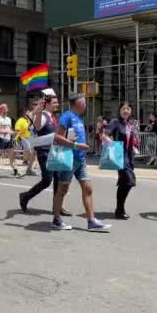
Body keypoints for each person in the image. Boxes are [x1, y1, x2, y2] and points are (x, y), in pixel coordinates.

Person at [52, 93, 112, 231]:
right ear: (76, 103)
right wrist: (77, 146)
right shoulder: (67, 116)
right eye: (84, 101)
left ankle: (91, 221)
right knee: (63, 189)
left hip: (80, 159)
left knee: (88, 188)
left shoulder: (79, 118)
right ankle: (56, 219)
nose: (86, 103)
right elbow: (57, 137)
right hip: (69, 159)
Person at [19, 91, 71, 216]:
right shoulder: (42, 116)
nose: (57, 104)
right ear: (47, 104)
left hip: (55, 152)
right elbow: (37, 127)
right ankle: (25, 196)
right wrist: (37, 112)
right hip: (44, 152)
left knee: (58, 180)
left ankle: (57, 207)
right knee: (47, 180)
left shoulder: (54, 117)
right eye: (54, 102)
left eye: (57, 102)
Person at [102, 102, 138, 220]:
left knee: (124, 182)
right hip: (119, 155)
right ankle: (120, 209)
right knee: (129, 180)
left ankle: (119, 209)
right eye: (124, 108)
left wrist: (134, 147)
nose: (126, 111)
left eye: (128, 109)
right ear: (120, 110)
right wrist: (112, 144)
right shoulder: (115, 122)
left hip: (128, 155)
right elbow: (104, 135)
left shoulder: (129, 124)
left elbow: (131, 139)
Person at [0, 104, 18, 177]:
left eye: (6, 108)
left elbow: (9, 130)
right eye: (4, 108)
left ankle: (15, 170)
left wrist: (15, 133)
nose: (6, 109)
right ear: (1, 109)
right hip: (0, 139)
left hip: (8, 139)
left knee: (12, 156)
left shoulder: (9, 119)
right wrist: (6, 131)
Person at [15, 106, 37, 176]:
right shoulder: (20, 120)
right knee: (30, 151)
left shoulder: (29, 120)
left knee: (32, 152)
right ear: (25, 113)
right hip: (23, 137)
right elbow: (17, 130)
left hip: (31, 138)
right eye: (28, 111)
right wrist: (17, 138)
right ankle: (28, 164)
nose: (29, 113)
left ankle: (28, 164)